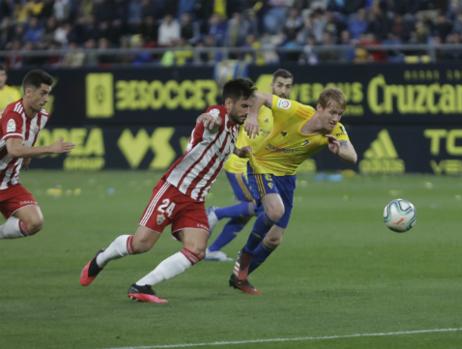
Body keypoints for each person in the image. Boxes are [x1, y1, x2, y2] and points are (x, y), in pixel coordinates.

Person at [79, 78, 256, 304]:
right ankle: (100, 259)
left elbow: (221, 148)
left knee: (197, 250)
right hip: (174, 190)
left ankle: (142, 285)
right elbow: (211, 117)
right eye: (244, 106)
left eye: (250, 107)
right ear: (229, 104)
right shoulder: (219, 115)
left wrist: (239, 152)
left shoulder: (234, 129)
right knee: (141, 244)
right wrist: (207, 117)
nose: (248, 112)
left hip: (195, 200)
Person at [230, 87, 358, 295]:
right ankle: (245, 256)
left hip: (287, 178)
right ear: (319, 108)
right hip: (261, 165)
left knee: (274, 239)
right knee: (274, 211)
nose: (335, 118)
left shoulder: (336, 130)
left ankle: (239, 276)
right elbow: (258, 95)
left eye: (339, 114)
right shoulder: (295, 110)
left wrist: (339, 151)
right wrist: (252, 116)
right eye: (332, 112)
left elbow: (353, 156)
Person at [205, 69, 294, 262]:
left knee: (247, 213)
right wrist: (252, 115)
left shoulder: (283, 110)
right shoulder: (258, 103)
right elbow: (249, 103)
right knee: (257, 207)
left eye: (287, 86)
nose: (283, 90)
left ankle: (212, 250)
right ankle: (215, 213)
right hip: (239, 164)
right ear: (271, 85)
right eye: (279, 85)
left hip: (256, 165)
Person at [0, 69, 75, 240]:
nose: (46, 99)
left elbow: (29, 137)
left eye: (48, 94)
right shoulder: (13, 114)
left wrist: (27, 156)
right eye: (42, 93)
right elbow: (14, 149)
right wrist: (50, 149)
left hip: (9, 183)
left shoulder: (42, 116)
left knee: (35, 222)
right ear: (28, 92)